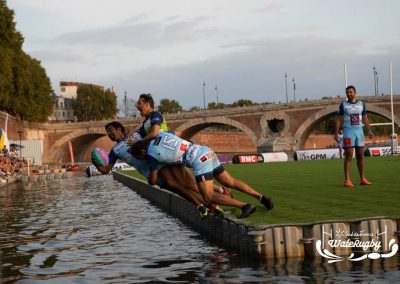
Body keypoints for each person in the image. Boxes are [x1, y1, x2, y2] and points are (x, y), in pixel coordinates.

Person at [95, 121, 225, 217]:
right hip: (149, 171)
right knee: (177, 187)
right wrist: (96, 163)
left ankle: (209, 201)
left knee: (186, 183)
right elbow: (107, 170)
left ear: (119, 129)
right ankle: (209, 205)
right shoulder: (114, 151)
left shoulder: (136, 134)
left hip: (163, 159)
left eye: (111, 130)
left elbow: (154, 132)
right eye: (107, 133)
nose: (109, 134)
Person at [130, 131, 274, 219]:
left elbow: (154, 180)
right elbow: (180, 134)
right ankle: (261, 197)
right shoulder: (161, 134)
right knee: (230, 181)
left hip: (198, 160)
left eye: (140, 157)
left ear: (143, 152)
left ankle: (245, 206)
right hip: (204, 150)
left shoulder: (150, 155)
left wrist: (149, 173)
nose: (142, 159)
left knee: (208, 196)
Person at [334, 85, 374, 187]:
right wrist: (336, 133)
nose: (349, 94)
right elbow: (338, 119)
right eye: (347, 92)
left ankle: (362, 179)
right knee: (349, 156)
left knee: (360, 155)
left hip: (359, 132)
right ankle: (347, 180)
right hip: (348, 133)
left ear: (355, 92)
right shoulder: (343, 105)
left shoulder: (361, 104)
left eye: (350, 92)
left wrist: (369, 130)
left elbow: (365, 118)